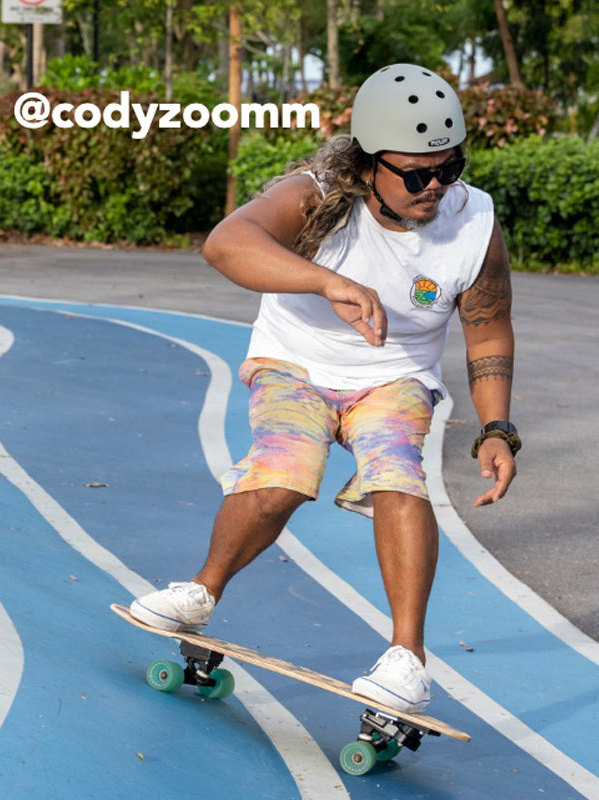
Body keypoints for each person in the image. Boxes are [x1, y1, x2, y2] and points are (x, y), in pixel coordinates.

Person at [130, 63, 520, 713]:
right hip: (296, 365)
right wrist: (325, 281)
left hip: (395, 378)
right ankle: (201, 591)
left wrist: (496, 428)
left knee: (397, 474)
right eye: (418, 174)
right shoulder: (314, 194)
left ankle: (406, 661)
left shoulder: (473, 223)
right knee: (284, 473)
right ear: (368, 166)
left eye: (449, 170)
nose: (436, 188)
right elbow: (227, 244)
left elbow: (488, 329)